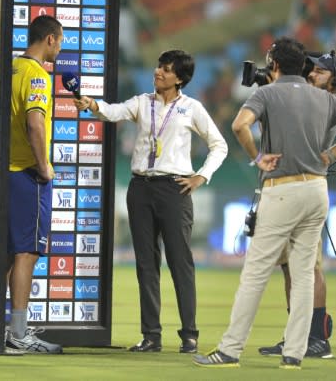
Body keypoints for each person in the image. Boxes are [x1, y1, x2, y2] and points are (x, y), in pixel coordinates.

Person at [193, 37, 336, 370]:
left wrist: (257, 157)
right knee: (304, 274)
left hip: (283, 188)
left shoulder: (265, 93)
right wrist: (331, 154)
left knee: (255, 274)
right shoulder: (322, 97)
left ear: (274, 64)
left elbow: (239, 125)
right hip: (317, 189)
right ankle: (294, 353)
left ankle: (230, 350)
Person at [74, 49, 228, 354]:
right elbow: (113, 111)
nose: (158, 72)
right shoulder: (142, 102)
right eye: (159, 66)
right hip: (141, 188)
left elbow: (219, 145)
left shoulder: (191, 108)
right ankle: (151, 336)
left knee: (180, 263)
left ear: (180, 78)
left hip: (174, 189)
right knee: (146, 264)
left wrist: (201, 176)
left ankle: (189, 334)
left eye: (166, 69)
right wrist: (92, 104)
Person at [257, 50, 336, 360]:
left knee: (309, 267)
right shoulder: (315, 99)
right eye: (312, 69)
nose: (312, 73)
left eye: (320, 71)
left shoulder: (326, 103)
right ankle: (296, 336)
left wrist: (333, 153)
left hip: (303, 186)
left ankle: (317, 338)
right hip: (287, 186)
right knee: (290, 268)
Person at [5, 15, 64, 354]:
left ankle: (0, 326)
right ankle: (18, 333)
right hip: (28, 174)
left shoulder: (11, 69)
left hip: (6, 173)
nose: (61, 47)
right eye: (61, 40)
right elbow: (35, 125)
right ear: (50, 40)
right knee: (26, 253)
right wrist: (43, 168)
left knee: (9, 255)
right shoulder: (37, 76)